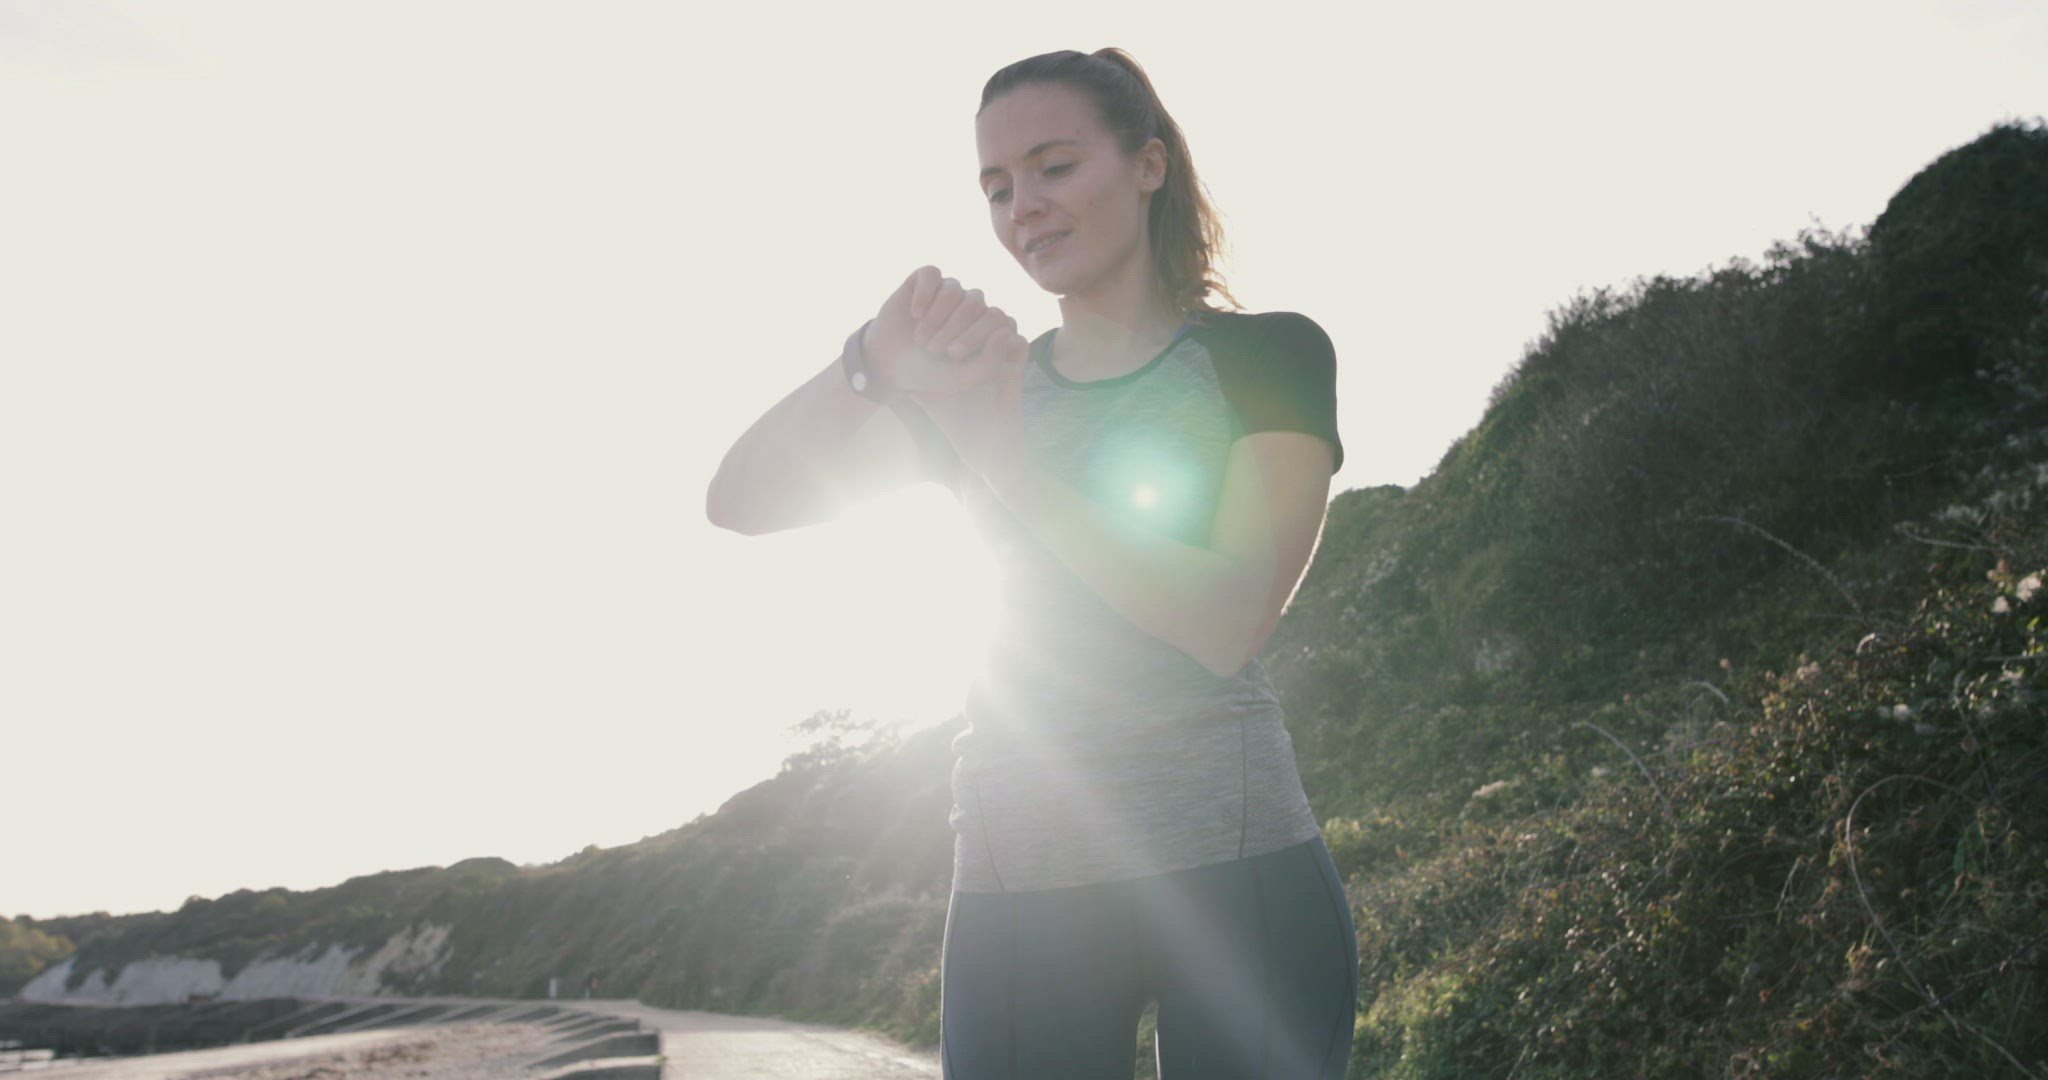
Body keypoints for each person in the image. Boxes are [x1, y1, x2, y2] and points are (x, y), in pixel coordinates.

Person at [706, 47, 1356, 1080]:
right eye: (997, 187)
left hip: (1240, 881)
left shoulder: (1264, 357)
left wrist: (1003, 453)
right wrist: (870, 362)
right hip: (1018, 893)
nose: (1024, 208)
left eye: (1054, 167)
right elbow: (739, 500)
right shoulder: (972, 393)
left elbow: (1226, 619)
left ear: (1147, 165)